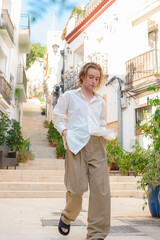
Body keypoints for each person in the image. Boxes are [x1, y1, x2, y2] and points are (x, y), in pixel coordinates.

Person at [53, 62, 115, 240]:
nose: (94, 81)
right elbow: (57, 116)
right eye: (91, 77)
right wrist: (64, 131)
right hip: (75, 144)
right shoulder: (70, 96)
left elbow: (101, 122)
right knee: (77, 189)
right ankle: (67, 215)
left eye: (97, 78)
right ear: (82, 77)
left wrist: (104, 135)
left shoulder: (100, 101)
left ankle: (96, 234)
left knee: (101, 191)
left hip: (97, 144)